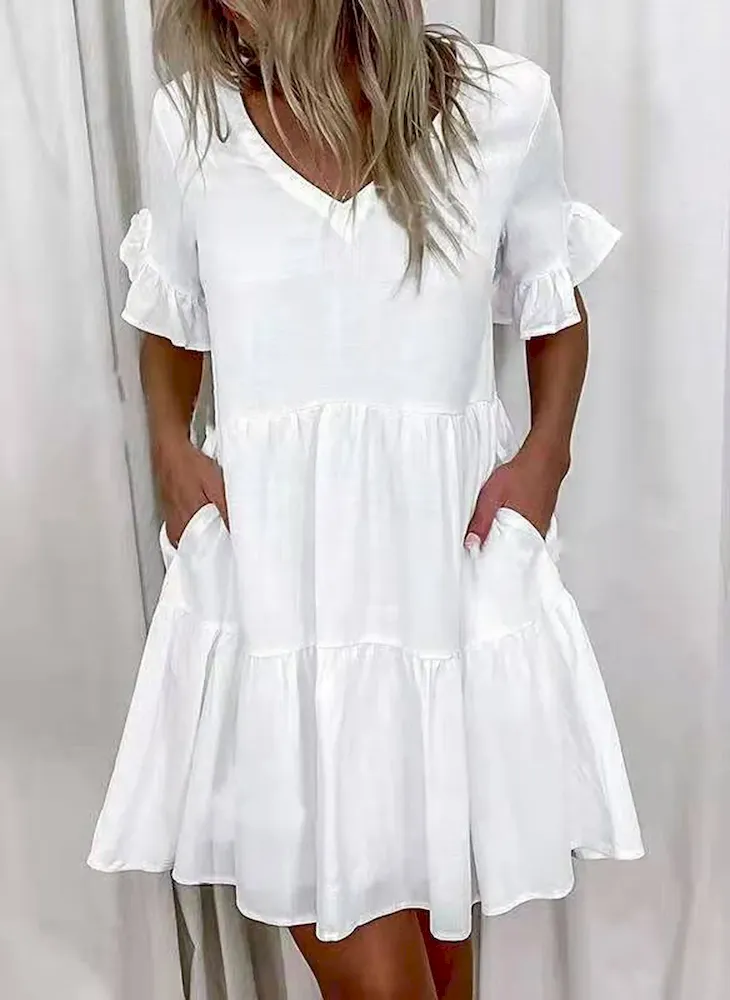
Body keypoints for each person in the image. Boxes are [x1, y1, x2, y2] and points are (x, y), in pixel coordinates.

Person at [88, 3, 645, 998]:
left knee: (437, 948)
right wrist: (171, 450)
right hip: (274, 581)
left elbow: (553, 299)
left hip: (442, 571)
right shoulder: (194, 122)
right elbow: (171, 315)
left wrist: (544, 461)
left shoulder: (502, 106)